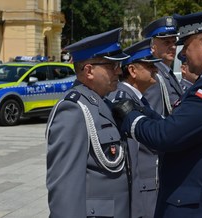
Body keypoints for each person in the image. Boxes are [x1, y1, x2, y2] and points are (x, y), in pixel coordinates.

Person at [112, 8, 202, 218]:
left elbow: (167, 135)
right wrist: (143, 110)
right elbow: (183, 123)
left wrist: (130, 117)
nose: (181, 54)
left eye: (186, 45)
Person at [45, 28, 131, 218]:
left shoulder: (103, 103)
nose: (119, 71)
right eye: (111, 66)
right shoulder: (73, 110)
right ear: (89, 70)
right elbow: (65, 189)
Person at [108, 38, 162, 218]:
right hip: (141, 192)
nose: (155, 69)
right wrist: (135, 207)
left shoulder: (138, 98)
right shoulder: (125, 100)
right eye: (149, 66)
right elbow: (131, 162)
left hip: (149, 187)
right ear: (132, 70)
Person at [141, 16, 183, 116]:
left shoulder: (165, 71)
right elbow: (154, 116)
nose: (173, 47)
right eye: (167, 42)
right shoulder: (154, 75)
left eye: (174, 42)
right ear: (152, 46)